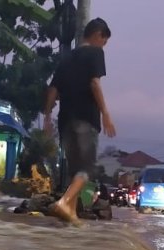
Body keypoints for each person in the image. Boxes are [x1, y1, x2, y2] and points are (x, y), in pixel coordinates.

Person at [43, 17, 117, 225]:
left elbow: (52, 89)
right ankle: (64, 202)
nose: (104, 46)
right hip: (86, 118)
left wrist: (47, 117)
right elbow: (95, 83)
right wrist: (105, 113)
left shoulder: (67, 58)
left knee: (75, 171)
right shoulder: (95, 53)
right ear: (97, 35)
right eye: (104, 41)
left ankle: (71, 214)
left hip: (65, 120)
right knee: (88, 168)